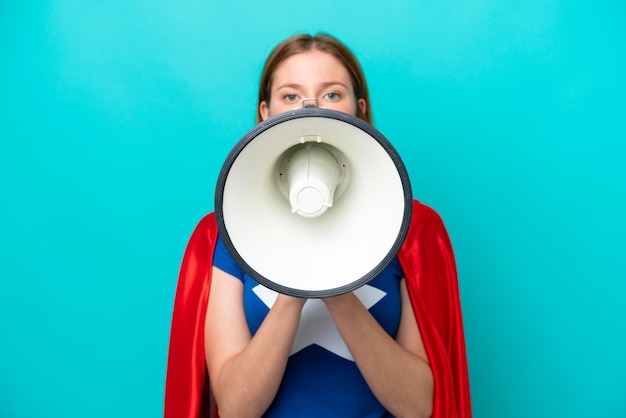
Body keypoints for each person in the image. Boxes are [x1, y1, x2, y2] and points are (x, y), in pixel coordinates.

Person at [164, 33, 472, 418]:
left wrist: (336, 284)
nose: (311, 108)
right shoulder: (223, 235)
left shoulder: (413, 229)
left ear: (359, 108)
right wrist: (295, 278)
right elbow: (236, 409)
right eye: (291, 96)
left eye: (331, 94)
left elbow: (418, 406)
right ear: (265, 111)